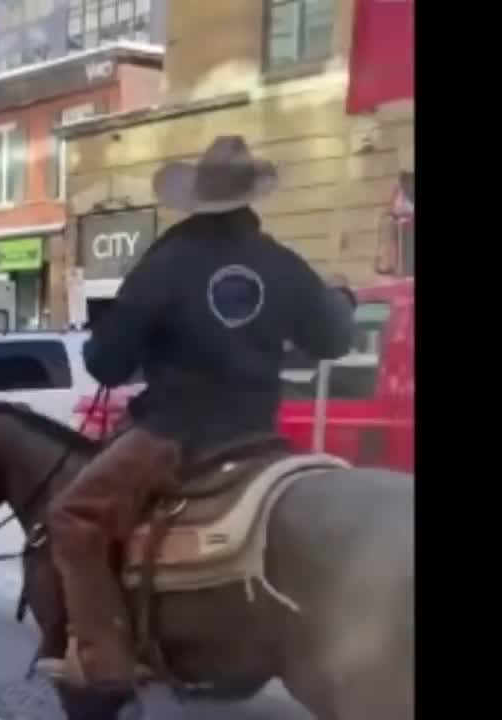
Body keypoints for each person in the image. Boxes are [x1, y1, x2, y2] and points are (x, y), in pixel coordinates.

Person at [35, 136, 356, 691]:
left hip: (176, 433)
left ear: (195, 200)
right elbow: (332, 340)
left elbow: (107, 365)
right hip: (259, 434)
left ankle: (103, 658)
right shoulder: (279, 262)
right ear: (248, 198)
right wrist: (340, 302)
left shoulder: (166, 264)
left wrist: (109, 334)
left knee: (72, 516)